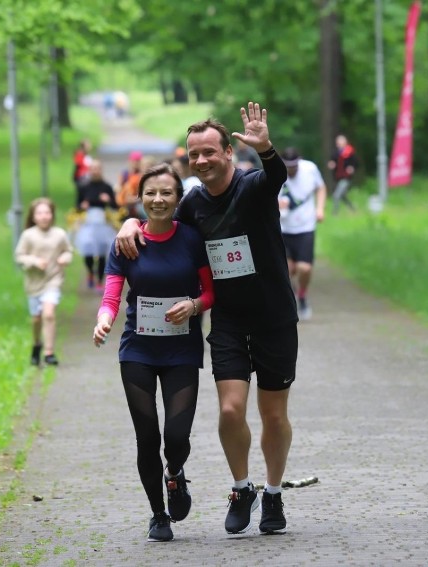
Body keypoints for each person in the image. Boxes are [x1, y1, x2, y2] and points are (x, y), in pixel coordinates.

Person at [115, 102, 297, 536]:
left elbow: (276, 177)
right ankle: (241, 487)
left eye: (209, 152)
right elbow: (160, 226)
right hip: (228, 320)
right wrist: (129, 224)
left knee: (272, 414)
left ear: (228, 153)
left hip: (273, 318)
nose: (201, 160)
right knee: (232, 410)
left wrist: (267, 148)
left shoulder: (253, 186)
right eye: (194, 154)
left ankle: (273, 494)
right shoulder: (193, 202)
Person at [93, 162, 215, 542]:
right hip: (138, 351)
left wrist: (194, 307)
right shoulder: (127, 242)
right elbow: (112, 292)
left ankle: (175, 474)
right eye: (151, 193)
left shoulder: (192, 239)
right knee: (147, 438)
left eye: (166, 193)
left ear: (178, 198)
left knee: (175, 437)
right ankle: (158, 515)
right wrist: (103, 318)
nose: (158, 199)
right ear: (140, 198)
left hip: (181, 349)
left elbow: (212, 291)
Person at [14, 198, 74, 366]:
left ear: (52, 215)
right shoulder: (28, 235)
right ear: (33, 217)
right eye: (39, 213)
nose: (44, 216)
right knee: (37, 318)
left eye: (47, 212)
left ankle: (49, 352)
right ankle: (36, 344)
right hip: (34, 283)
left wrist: (64, 258)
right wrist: (34, 261)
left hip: (53, 280)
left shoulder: (59, 234)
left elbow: (68, 251)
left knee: (48, 313)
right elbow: (19, 256)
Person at [278, 147, 327, 321]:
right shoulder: (275, 173)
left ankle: (303, 295)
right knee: (287, 270)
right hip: (283, 229)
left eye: (294, 166)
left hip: (306, 227)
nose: (292, 170)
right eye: (288, 167)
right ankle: (289, 303)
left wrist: (320, 209)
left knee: (304, 268)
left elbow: (320, 188)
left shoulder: (310, 169)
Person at [75, 160, 118, 291]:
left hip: (103, 223)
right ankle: (90, 272)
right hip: (88, 222)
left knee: (101, 252)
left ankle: (99, 281)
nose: (95, 171)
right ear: (89, 170)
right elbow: (77, 206)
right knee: (87, 249)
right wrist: (82, 207)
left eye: (97, 168)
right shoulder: (84, 187)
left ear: (101, 170)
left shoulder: (107, 187)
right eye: (93, 168)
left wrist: (108, 200)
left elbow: (116, 207)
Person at [327, 134, 358, 214]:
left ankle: (335, 212)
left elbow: (355, 163)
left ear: (345, 142)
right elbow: (332, 162)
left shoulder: (350, 151)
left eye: (340, 141)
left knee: (336, 195)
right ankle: (353, 208)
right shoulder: (335, 153)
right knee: (343, 196)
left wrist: (352, 168)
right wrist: (331, 164)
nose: (338, 143)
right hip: (338, 177)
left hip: (346, 177)